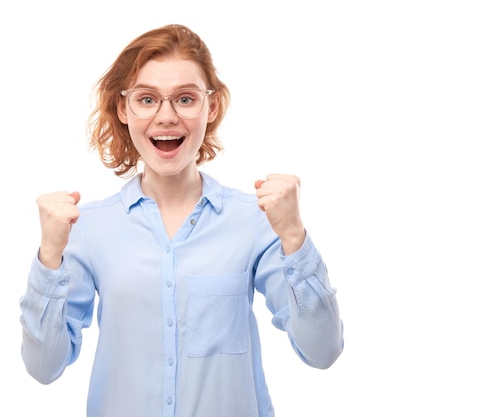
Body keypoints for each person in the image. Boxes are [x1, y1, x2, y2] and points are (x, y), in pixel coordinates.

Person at [19, 23, 344, 417]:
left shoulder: (257, 222)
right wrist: (49, 257)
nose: (166, 116)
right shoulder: (86, 229)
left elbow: (322, 351)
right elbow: (43, 368)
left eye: (185, 99)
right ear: (124, 109)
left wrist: (294, 235)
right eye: (147, 99)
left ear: (212, 107)